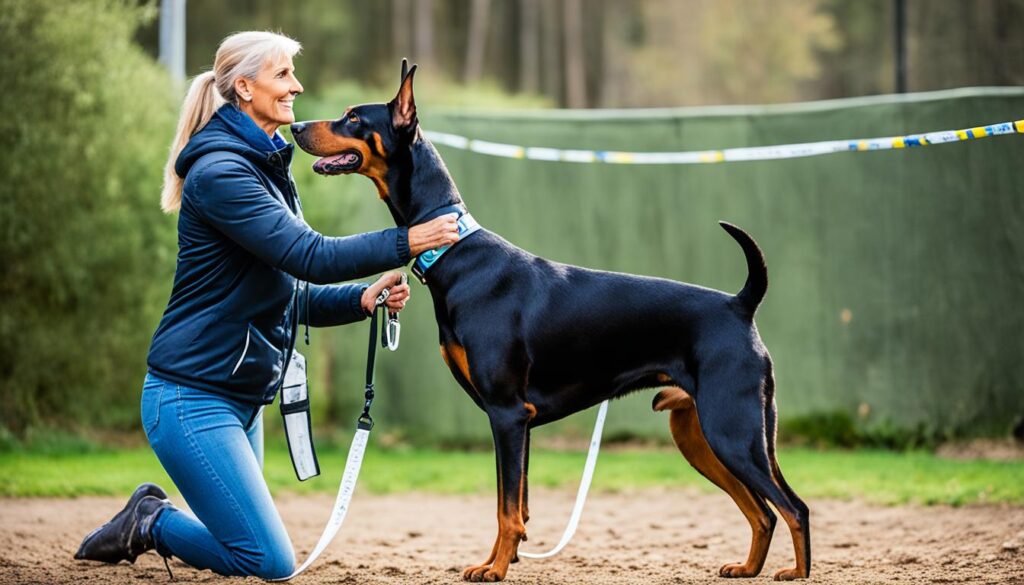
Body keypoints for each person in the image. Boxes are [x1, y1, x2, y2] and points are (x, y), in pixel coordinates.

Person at [73, 31, 459, 579]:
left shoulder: (261, 166)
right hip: (190, 399)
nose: (296, 86)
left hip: (238, 401)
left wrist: (359, 299)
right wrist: (410, 239)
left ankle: (158, 521)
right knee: (268, 560)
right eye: (283, 75)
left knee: (238, 547)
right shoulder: (223, 174)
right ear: (244, 86)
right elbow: (309, 255)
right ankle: (150, 520)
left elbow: (283, 291)